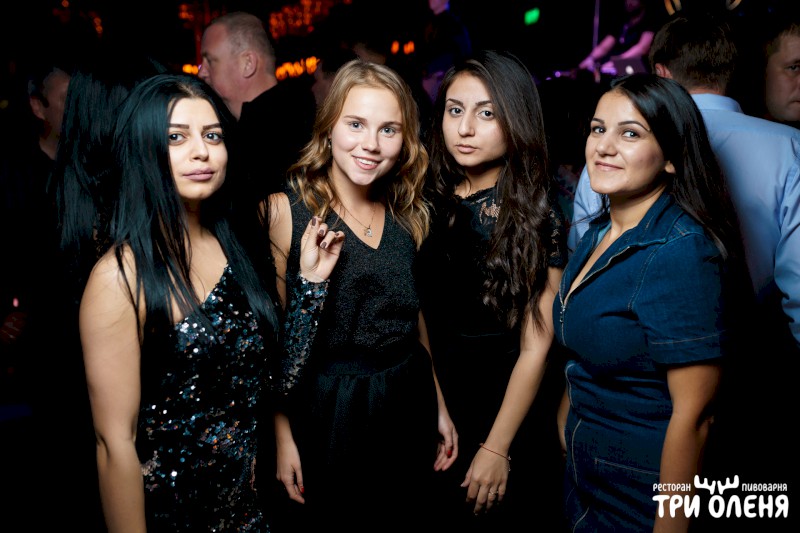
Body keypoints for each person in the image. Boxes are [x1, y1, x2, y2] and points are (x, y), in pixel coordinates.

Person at [79, 73, 343, 531]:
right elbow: (114, 446)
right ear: (142, 151)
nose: (201, 151)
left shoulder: (241, 243)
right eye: (176, 137)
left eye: (212, 135)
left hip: (249, 512)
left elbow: (275, 377)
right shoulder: (118, 279)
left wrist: (311, 285)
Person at [266, 58, 457, 533]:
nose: (370, 144)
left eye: (388, 129)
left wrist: (438, 404)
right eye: (355, 124)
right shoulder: (285, 211)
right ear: (329, 127)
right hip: (329, 410)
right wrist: (282, 437)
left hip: (406, 397)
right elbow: (270, 339)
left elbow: (412, 318)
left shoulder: (406, 211)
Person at [556, 73, 743, 532]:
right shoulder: (600, 231)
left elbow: (695, 417)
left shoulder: (680, 251)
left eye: (630, 134)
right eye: (598, 129)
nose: (603, 146)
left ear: (672, 158)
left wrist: (670, 526)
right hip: (586, 481)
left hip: (639, 498)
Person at [418, 50, 567, 531]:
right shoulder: (424, 197)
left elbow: (537, 345)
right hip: (434, 395)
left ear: (515, 119)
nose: (465, 128)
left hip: (508, 403)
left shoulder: (537, 212)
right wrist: (435, 406)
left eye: (486, 114)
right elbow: (413, 309)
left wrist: (498, 446)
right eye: (455, 110)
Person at [199, 11, 316, 197]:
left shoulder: (281, 135)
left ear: (248, 63)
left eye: (210, 61)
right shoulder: (245, 129)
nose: (202, 72)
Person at [578, 0, 660, 76]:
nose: (629, 1)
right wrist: (590, 58)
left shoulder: (650, 20)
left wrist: (616, 62)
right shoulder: (622, 19)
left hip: (639, 68)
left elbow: (642, 48)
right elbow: (605, 46)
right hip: (618, 66)